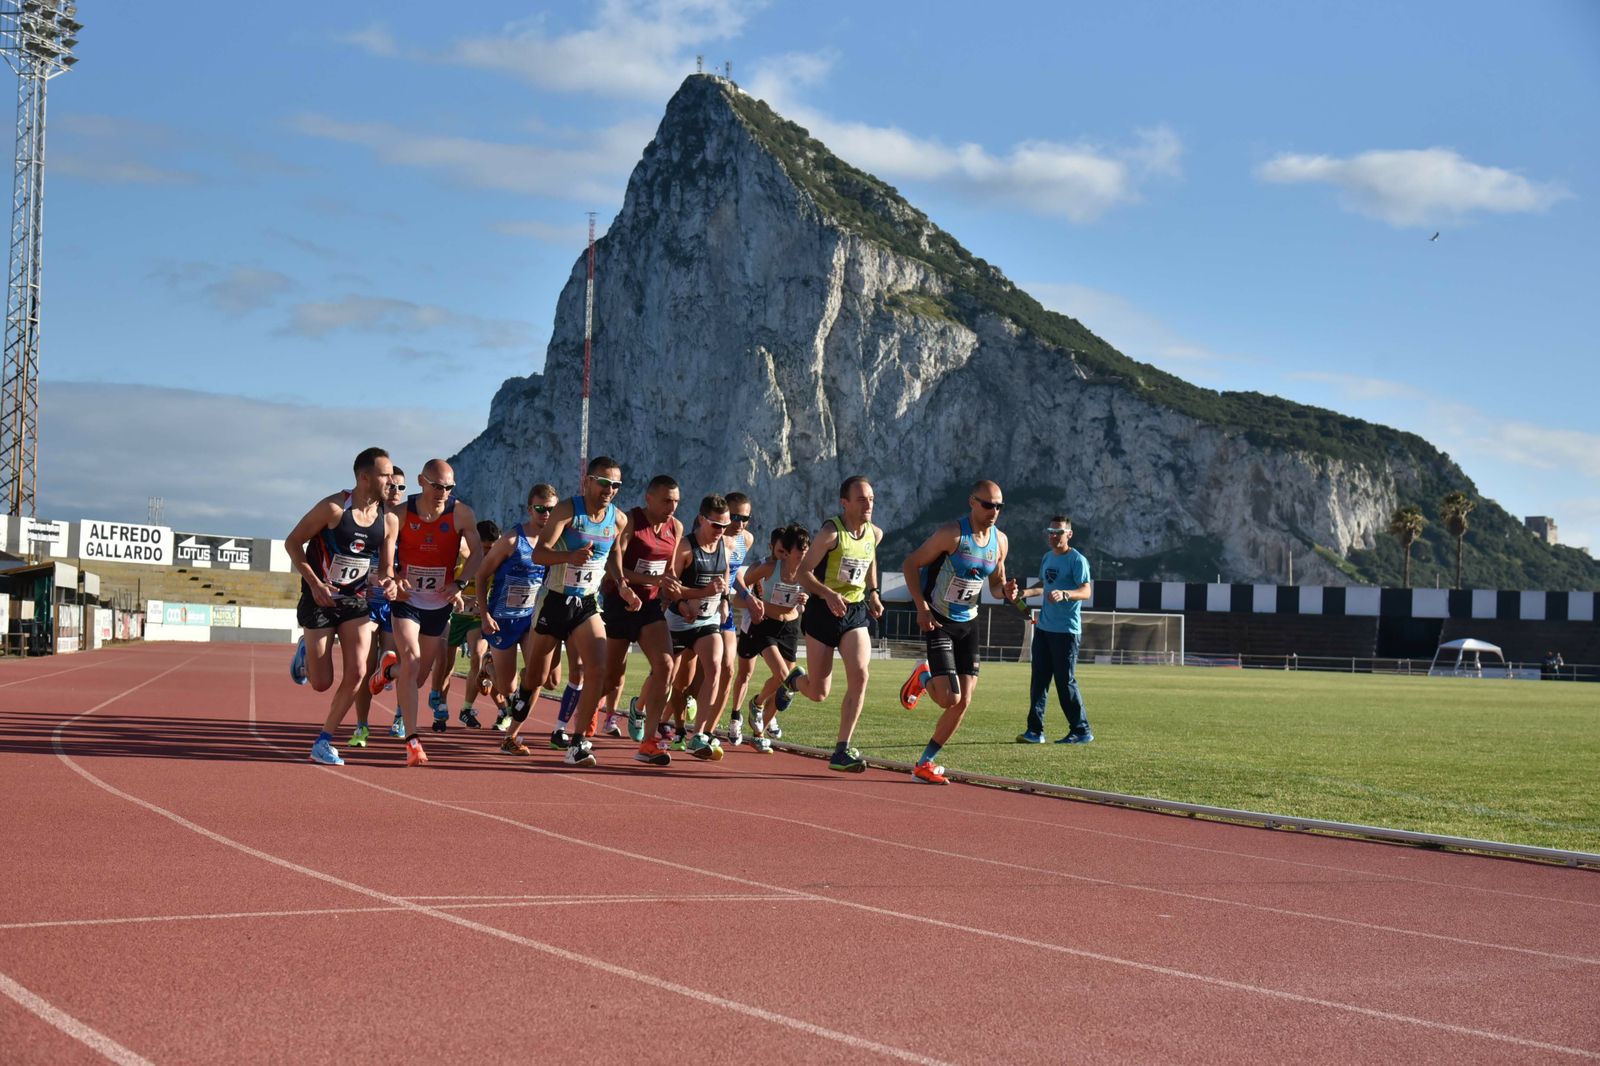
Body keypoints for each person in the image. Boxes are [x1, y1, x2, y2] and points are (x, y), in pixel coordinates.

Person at [897, 481, 1018, 784]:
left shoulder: (1000, 541)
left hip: (969, 622)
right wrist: (921, 608)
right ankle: (923, 676)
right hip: (938, 619)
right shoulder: (951, 534)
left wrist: (1006, 590)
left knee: (964, 701)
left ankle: (925, 763)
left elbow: (994, 585)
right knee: (949, 698)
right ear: (972, 503)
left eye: (999, 506)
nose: (994, 511)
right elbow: (910, 564)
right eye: (988, 505)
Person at [285, 446, 398, 766]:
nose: (391, 480)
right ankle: (306, 650)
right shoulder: (334, 508)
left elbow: (385, 568)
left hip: (355, 601)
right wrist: (314, 582)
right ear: (364, 477)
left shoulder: (389, 520)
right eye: (385, 474)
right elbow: (292, 542)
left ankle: (324, 740)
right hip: (320, 598)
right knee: (321, 683)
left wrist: (386, 581)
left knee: (359, 671)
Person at [532, 455, 638, 768]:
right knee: (538, 677)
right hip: (554, 599)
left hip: (588, 602)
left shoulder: (618, 520)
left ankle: (578, 742)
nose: (610, 489)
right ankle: (518, 700)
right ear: (588, 481)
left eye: (616, 484)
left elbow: (615, 553)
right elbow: (540, 554)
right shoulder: (567, 509)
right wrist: (570, 557)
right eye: (604, 482)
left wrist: (621, 583)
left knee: (597, 669)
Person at [384, 459, 484, 766]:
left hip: (439, 602)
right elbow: (386, 552)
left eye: (449, 487)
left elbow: (478, 551)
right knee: (412, 664)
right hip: (407, 599)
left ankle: (387, 671)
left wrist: (460, 583)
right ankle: (412, 740)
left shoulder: (461, 513)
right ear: (421, 482)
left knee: (418, 676)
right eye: (438, 486)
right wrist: (391, 577)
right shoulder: (400, 514)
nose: (443, 492)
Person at [783, 475, 884, 773]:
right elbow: (803, 573)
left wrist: (874, 592)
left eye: (872, 499)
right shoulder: (830, 533)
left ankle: (841, 749)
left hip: (854, 612)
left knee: (861, 675)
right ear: (845, 503)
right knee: (818, 692)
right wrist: (828, 594)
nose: (868, 504)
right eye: (862, 499)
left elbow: (871, 560)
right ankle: (793, 681)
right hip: (822, 613)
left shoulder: (874, 533)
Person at [597, 474, 684, 767]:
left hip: (649, 607)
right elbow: (615, 565)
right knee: (610, 679)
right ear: (649, 498)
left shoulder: (676, 527)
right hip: (619, 602)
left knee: (666, 665)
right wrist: (647, 581)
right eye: (666, 500)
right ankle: (582, 721)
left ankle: (649, 741)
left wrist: (673, 592)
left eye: (675, 501)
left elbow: (669, 570)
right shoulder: (632, 520)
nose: (671, 506)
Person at [479, 485, 556, 756]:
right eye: (540, 508)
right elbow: (481, 575)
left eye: (551, 509)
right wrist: (485, 613)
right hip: (502, 620)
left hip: (531, 618)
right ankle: (488, 667)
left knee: (536, 677)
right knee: (507, 686)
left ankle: (512, 736)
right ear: (529, 509)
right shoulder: (512, 540)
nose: (546, 514)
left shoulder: (555, 542)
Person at [665, 498, 734, 760]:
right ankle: (642, 711)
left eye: (725, 525)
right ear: (702, 519)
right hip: (679, 621)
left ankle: (700, 734)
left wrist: (724, 600)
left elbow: (725, 574)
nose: (721, 530)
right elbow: (670, 586)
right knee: (671, 679)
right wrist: (683, 603)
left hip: (707, 621)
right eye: (716, 524)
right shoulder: (684, 547)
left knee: (715, 668)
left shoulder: (725, 545)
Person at [1014, 515, 1093, 744]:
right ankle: (1035, 731)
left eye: (1058, 532)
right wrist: (1025, 593)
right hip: (1044, 629)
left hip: (1066, 632)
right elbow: (1043, 585)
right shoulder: (1048, 557)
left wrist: (1065, 594)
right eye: (1050, 531)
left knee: (1064, 681)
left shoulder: (1077, 560)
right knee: (1039, 680)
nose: (1053, 535)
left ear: (1069, 534)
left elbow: (1086, 591)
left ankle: (1081, 730)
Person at [736, 524, 809, 753]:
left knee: (782, 684)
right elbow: (741, 581)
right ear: (786, 552)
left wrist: (806, 600)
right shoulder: (769, 567)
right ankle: (756, 718)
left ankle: (758, 713)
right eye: (800, 552)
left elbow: (813, 595)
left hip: (790, 627)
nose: (805, 557)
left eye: (807, 551)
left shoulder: (808, 572)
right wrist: (750, 599)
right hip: (766, 625)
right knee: (784, 676)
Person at [350, 465, 405, 746]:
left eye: (401, 487)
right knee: (364, 665)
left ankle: (400, 717)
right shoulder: (368, 518)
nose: (396, 491)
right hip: (364, 603)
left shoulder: (407, 523)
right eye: (392, 485)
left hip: (394, 606)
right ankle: (362, 726)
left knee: (399, 661)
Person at [429, 519, 499, 730]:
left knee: (477, 657)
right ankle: (440, 711)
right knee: (446, 667)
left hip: (476, 618)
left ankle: (467, 709)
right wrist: (460, 598)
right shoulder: (459, 558)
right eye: (485, 547)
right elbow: (440, 585)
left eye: (492, 548)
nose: (488, 552)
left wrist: (484, 606)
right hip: (454, 615)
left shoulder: (495, 562)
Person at [715, 492, 758, 745]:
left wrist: (748, 597)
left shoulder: (747, 539)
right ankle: (661, 715)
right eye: (735, 516)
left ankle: (709, 731)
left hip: (725, 606)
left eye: (745, 518)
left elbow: (736, 576)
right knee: (684, 674)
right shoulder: (714, 535)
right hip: (701, 602)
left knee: (727, 668)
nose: (740, 523)